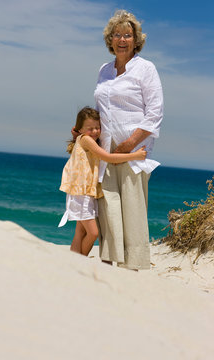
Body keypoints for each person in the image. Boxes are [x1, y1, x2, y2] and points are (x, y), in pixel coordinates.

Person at [93, 10, 164, 269]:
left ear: (136, 40)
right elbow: (101, 110)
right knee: (108, 207)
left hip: (135, 151)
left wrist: (129, 145)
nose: (122, 39)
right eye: (117, 35)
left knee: (133, 210)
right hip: (106, 149)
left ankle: (132, 268)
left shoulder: (146, 69)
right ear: (110, 40)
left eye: (127, 35)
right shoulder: (104, 70)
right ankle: (108, 261)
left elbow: (154, 113)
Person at [58, 106, 147, 257]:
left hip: (85, 191)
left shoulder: (84, 138)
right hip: (81, 192)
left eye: (97, 128)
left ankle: (72, 262)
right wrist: (135, 156)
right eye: (90, 128)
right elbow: (107, 157)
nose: (94, 131)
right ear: (79, 129)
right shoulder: (85, 140)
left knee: (80, 232)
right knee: (93, 233)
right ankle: (80, 261)